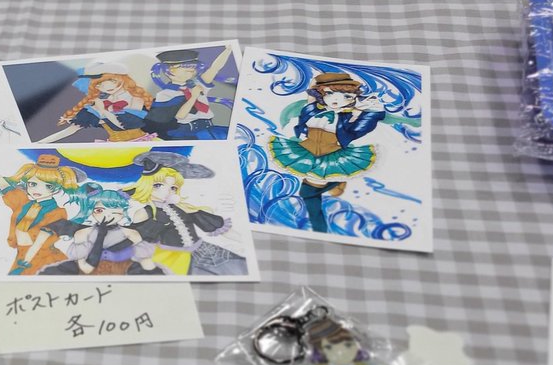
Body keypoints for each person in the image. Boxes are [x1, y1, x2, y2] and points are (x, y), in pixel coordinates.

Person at [269, 71, 385, 234]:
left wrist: (364, 111)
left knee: (307, 193)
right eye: (330, 93)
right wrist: (315, 82)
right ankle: (336, 182)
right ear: (322, 93)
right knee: (308, 193)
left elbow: (361, 127)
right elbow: (311, 93)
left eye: (347, 96)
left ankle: (320, 229)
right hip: (305, 152)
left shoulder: (348, 116)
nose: (337, 100)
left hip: (330, 157)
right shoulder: (313, 108)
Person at [125, 151, 245, 276]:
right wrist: (144, 258)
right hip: (171, 256)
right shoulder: (145, 212)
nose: (167, 191)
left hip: (202, 250)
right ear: (145, 185)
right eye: (158, 185)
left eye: (173, 188)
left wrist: (243, 240)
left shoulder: (183, 208)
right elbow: (133, 236)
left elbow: (212, 225)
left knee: (235, 267)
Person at [0, 152, 82, 275]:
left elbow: (40, 242)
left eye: (48, 186)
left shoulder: (57, 213)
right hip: (23, 255)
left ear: (58, 188)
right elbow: (2, 184)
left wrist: (26, 261)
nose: (37, 189)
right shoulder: (23, 203)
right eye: (32, 184)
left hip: (41, 257)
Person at [39, 184, 144, 276]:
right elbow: (87, 269)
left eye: (115, 211)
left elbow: (143, 264)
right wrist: (100, 236)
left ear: (123, 212)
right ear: (91, 210)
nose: (107, 215)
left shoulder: (132, 234)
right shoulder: (82, 233)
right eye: (99, 210)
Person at [142, 44, 232, 140]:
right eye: (184, 66)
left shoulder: (196, 84)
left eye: (193, 66)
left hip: (209, 127)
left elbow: (214, 68)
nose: (191, 69)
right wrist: (193, 97)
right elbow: (180, 116)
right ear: (169, 71)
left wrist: (227, 50)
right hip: (187, 132)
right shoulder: (165, 94)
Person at [57, 62, 153, 142]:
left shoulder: (135, 98)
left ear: (123, 78)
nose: (106, 86)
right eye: (98, 84)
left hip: (139, 143)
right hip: (113, 147)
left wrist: (103, 111)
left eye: (112, 80)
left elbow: (127, 126)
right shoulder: (101, 102)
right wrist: (46, 143)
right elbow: (71, 130)